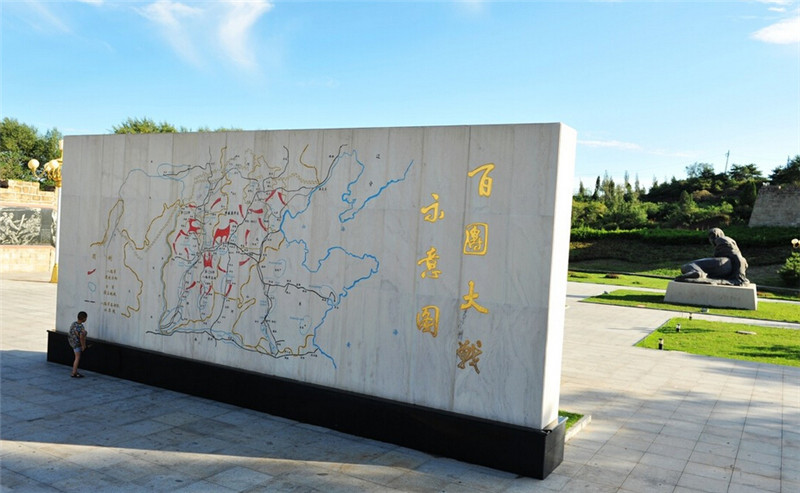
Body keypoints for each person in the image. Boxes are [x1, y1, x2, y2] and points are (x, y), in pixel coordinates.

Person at [676, 228, 749, 286]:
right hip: (727, 266)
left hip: (725, 264)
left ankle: (697, 272)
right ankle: (699, 273)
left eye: (711, 237)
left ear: (716, 235)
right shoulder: (729, 240)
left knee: (688, 265)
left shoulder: (721, 240)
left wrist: (739, 275)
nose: (710, 240)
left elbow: (736, 255)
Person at [68, 311, 88, 378]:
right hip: (77, 344)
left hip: (72, 342)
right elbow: (81, 337)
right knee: (77, 358)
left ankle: (74, 372)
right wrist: (83, 346)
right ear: (84, 318)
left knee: (76, 357)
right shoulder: (81, 326)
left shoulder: (74, 323)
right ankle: (74, 372)